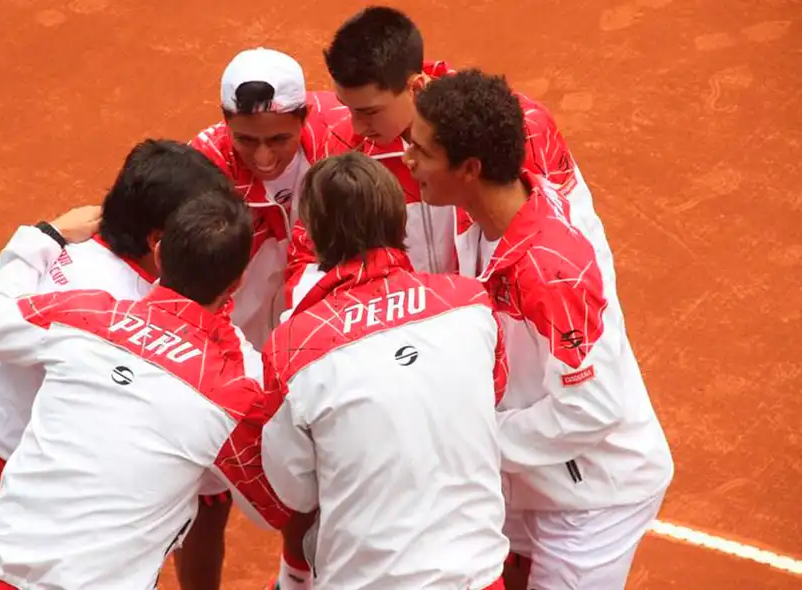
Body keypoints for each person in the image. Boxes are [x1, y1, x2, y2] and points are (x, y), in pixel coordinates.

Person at [406, 68, 674, 590]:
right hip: (532, 476)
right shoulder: (483, 213)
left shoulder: (553, 271)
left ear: (470, 168)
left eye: (422, 150)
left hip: (594, 497)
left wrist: (473, 437)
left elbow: (592, 407)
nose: (408, 159)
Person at [0, 139, 236, 590]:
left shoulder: (74, 243)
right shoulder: (122, 308)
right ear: (159, 240)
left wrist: (44, 234)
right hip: (3, 461)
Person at [0, 192, 292, 589]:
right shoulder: (238, 386)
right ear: (236, 282)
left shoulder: (85, 315)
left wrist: (44, 235)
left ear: (160, 252)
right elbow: (273, 505)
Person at [261, 153, 509, 590]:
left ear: (314, 235)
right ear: (399, 220)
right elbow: (493, 392)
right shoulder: (471, 302)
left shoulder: (291, 347)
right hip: (479, 578)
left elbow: (294, 493)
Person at [283, 5, 591, 315]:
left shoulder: (516, 129)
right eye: (347, 108)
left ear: (416, 87)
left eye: (369, 112)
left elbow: (577, 239)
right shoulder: (348, 153)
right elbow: (309, 257)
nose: (357, 127)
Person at [190, 47, 342, 349]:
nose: (263, 158)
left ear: (304, 116)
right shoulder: (200, 170)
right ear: (225, 120)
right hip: (240, 343)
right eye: (245, 140)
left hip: (321, 332)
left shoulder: (341, 133)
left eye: (278, 139)